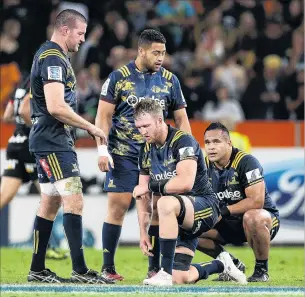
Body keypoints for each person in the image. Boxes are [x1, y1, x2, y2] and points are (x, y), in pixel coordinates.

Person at [95, 29, 191, 281]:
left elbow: (181, 119)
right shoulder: (119, 77)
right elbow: (103, 116)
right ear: (141, 50)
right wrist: (102, 149)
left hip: (159, 155)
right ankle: (108, 268)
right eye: (156, 52)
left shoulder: (171, 80)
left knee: (159, 207)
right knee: (118, 206)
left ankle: (155, 267)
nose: (161, 57)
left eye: (163, 53)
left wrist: (188, 153)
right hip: (124, 153)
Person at [27, 9, 112, 284]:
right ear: (65, 30)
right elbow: (55, 106)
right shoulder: (52, 57)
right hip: (53, 141)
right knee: (74, 199)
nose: (82, 39)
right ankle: (80, 269)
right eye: (80, 33)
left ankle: (37, 269)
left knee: (50, 203)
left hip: (49, 140)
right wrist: (90, 126)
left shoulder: (49, 54)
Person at [133, 99, 247, 286]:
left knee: (164, 202)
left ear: (160, 121)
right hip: (179, 216)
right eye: (138, 127)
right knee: (181, 278)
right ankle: (221, 264)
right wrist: (143, 233)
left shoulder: (183, 141)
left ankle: (164, 272)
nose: (142, 131)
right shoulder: (145, 150)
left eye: (146, 125)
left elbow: (185, 183)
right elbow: (141, 194)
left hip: (204, 207)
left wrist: (151, 185)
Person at [197, 122, 280, 282]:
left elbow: (257, 202)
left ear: (229, 143)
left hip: (263, 221)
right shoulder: (203, 167)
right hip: (228, 224)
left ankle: (261, 270)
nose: (211, 147)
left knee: (254, 217)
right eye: (207, 142)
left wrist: (224, 211)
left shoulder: (246, 162)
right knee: (190, 228)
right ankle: (232, 265)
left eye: (216, 142)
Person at [1, 76, 67, 260]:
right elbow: (24, 110)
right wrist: (40, 128)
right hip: (30, 147)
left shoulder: (18, 87)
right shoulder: (37, 85)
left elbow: (7, 116)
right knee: (51, 199)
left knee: (4, 197)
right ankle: (44, 247)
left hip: (15, 143)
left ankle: (46, 246)